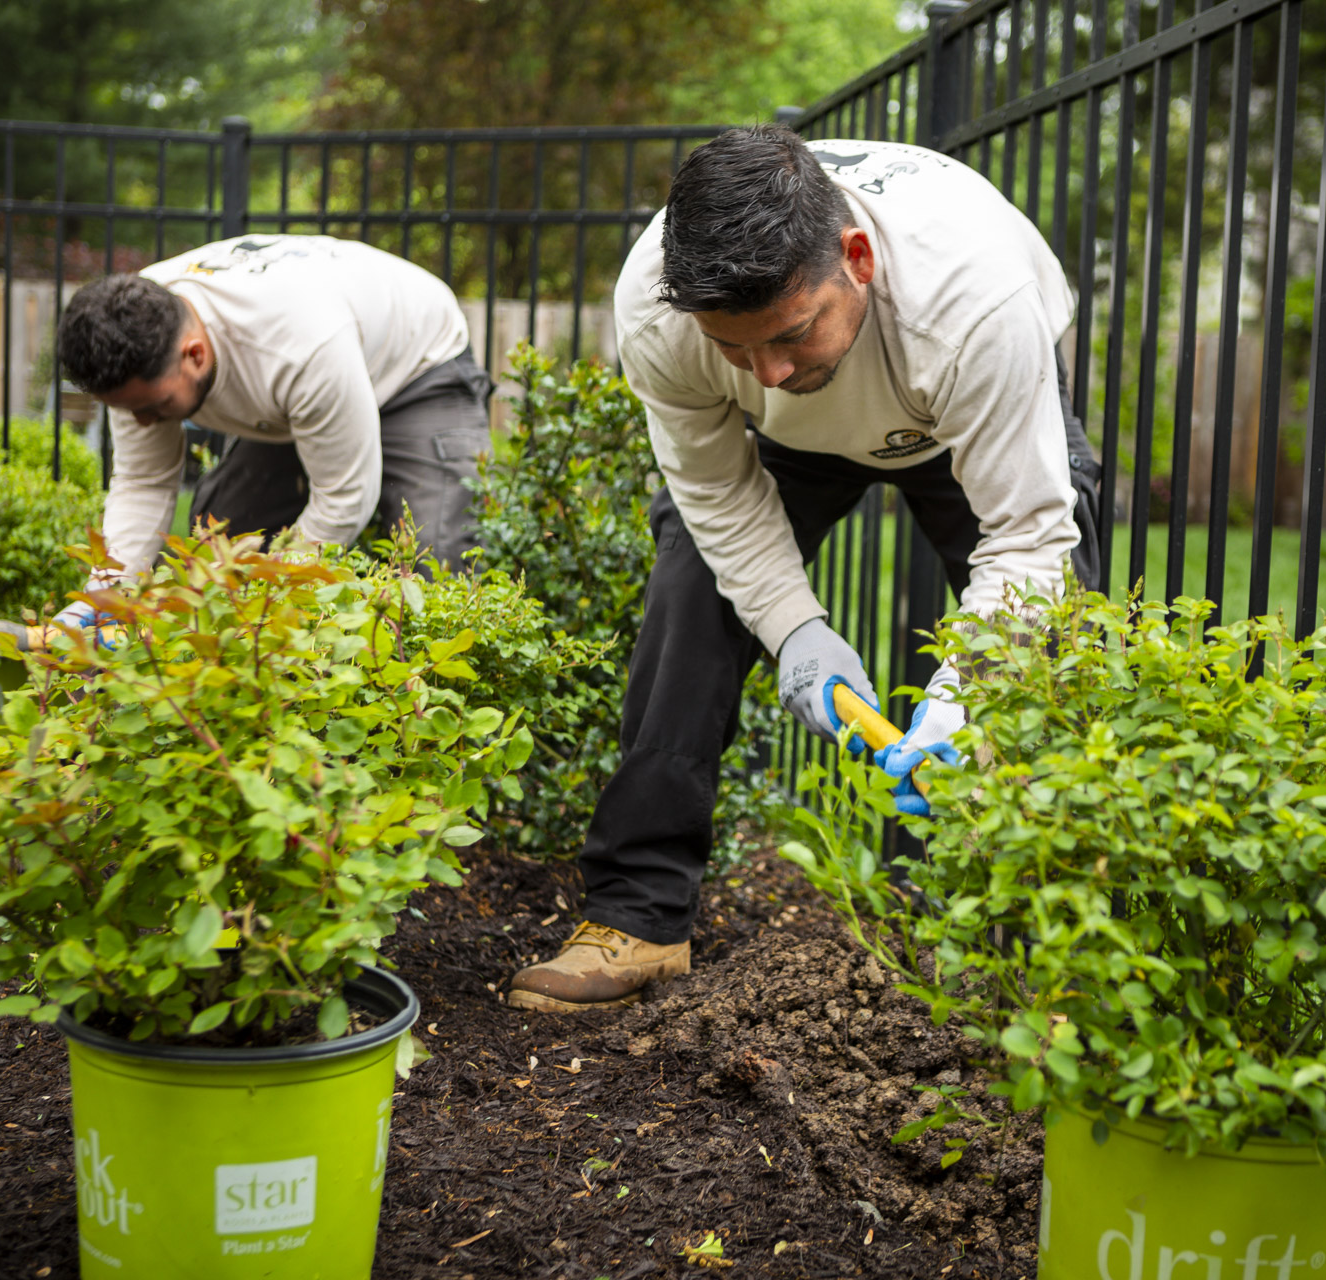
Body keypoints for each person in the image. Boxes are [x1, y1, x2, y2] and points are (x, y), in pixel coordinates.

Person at [507, 126, 1101, 1014]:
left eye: (790, 333)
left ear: (857, 258)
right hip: (789, 451)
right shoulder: (658, 310)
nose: (771, 373)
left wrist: (964, 694)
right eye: (735, 350)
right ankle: (640, 916)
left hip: (947, 415)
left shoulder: (975, 301)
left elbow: (1026, 536)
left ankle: (1054, 950)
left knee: (1056, 650)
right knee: (692, 590)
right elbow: (714, 495)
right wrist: (796, 631)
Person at [53, 233, 492, 603]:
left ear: (195, 354)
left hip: (417, 365)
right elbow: (143, 483)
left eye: (155, 407)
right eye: (130, 410)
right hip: (307, 380)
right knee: (224, 540)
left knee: (440, 561)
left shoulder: (298, 347)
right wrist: (104, 598)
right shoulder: (132, 334)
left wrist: (269, 605)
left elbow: (343, 501)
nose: (144, 423)